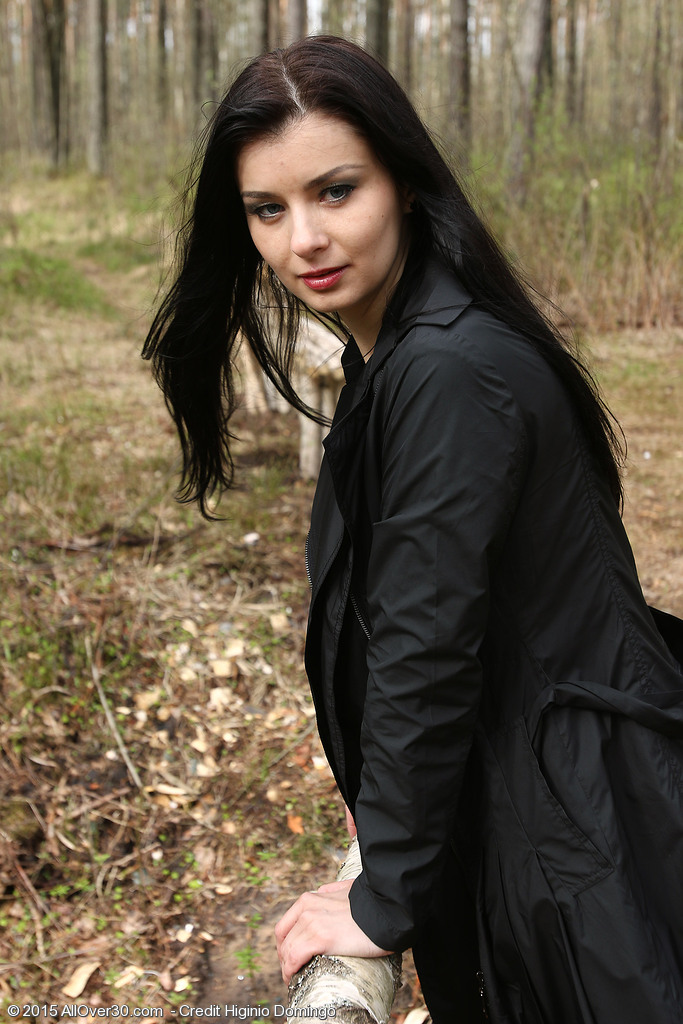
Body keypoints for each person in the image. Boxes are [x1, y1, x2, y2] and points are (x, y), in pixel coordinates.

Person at [143, 35, 683, 1024]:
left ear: (401, 180)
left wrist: (381, 892)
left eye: (335, 191)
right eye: (268, 209)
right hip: (541, 807)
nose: (303, 239)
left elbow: (423, 645)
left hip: (577, 839)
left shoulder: (446, 366)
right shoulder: (406, 350)